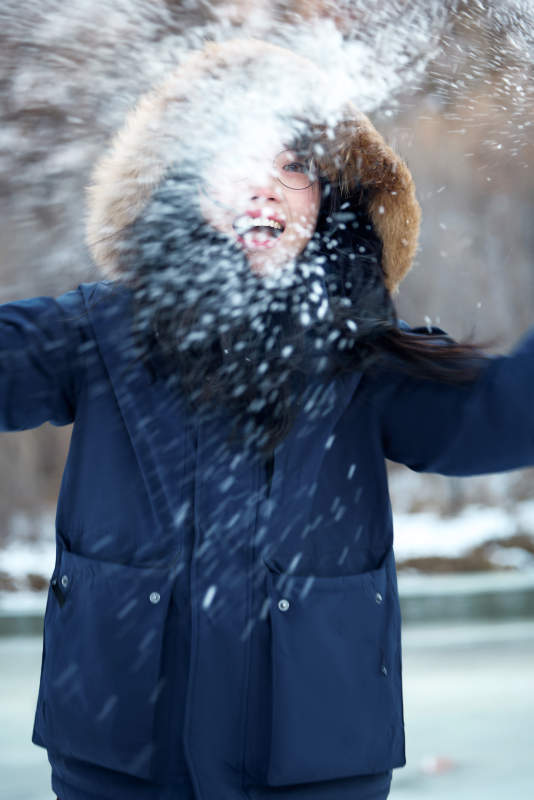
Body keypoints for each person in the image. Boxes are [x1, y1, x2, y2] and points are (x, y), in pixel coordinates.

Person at [2, 38, 533, 800]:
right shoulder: (97, 333)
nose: (265, 188)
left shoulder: (364, 356)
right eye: (235, 159)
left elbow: (504, 415)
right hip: (121, 765)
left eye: (294, 167)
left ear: (328, 199)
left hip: (317, 769)